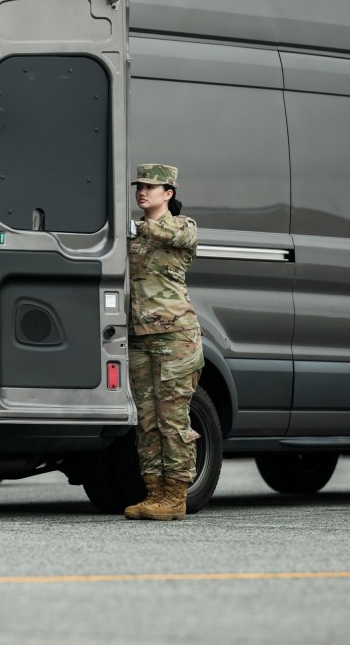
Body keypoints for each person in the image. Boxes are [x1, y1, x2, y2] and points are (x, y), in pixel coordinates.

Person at [123, 164, 205, 521]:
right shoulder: (135, 234)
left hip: (176, 337)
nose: (142, 192)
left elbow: (170, 234)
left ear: (168, 193)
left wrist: (131, 228)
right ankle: (154, 493)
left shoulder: (181, 225)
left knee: (173, 420)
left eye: (151, 187)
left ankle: (176, 496)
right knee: (146, 420)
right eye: (139, 186)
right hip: (140, 337)